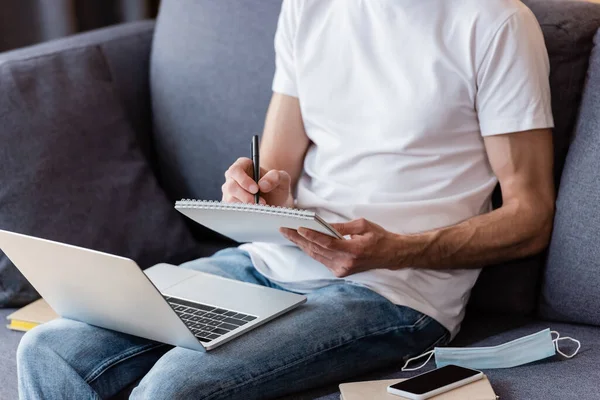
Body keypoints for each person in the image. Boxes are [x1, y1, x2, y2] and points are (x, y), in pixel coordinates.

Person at [17, 0, 555, 399]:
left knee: (173, 388)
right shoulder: (309, 7)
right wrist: (255, 192)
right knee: (51, 348)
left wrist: (392, 250)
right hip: (265, 264)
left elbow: (530, 217)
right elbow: (276, 171)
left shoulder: (495, 23)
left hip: (390, 293)